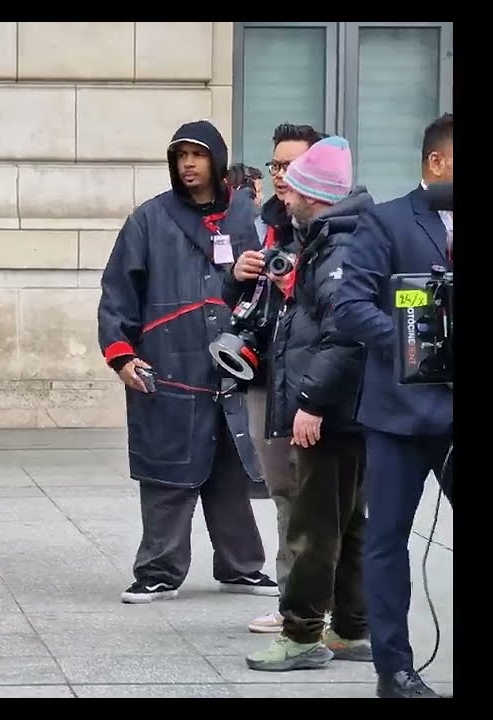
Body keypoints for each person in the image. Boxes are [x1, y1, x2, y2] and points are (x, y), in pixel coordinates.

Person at [97, 119, 276, 605]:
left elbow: (269, 291)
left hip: (233, 367)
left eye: (198, 155)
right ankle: (158, 570)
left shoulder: (249, 219)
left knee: (230, 471)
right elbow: (117, 294)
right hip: (167, 366)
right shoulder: (149, 219)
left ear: (217, 160)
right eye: (181, 156)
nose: (189, 164)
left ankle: (241, 567)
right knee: (166, 474)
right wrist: (121, 355)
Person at [227, 136, 376, 671]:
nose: (283, 194)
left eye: (294, 186)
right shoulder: (340, 239)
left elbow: (343, 336)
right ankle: (353, 629)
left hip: (328, 411)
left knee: (314, 526)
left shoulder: (336, 251)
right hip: (350, 411)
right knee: (349, 521)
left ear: (313, 195)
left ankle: (303, 633)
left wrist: (309, 403)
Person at [332, 112, 453, 699]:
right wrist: (414, 342)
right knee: (388, 542)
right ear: (437, 162)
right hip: (399, 415)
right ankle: (394, 669)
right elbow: (350, 308)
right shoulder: (384, 222)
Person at [239, 123, 327, 634]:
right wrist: (241, 276)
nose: (280, 175)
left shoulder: (334, 227)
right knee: (281, 492)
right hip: (263, 374)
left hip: (313, 380)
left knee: (323, 493)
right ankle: (293, 597)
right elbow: (235, 302)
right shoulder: (259, 224)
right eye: (275, 165)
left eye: (291, 165)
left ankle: (326, 600)